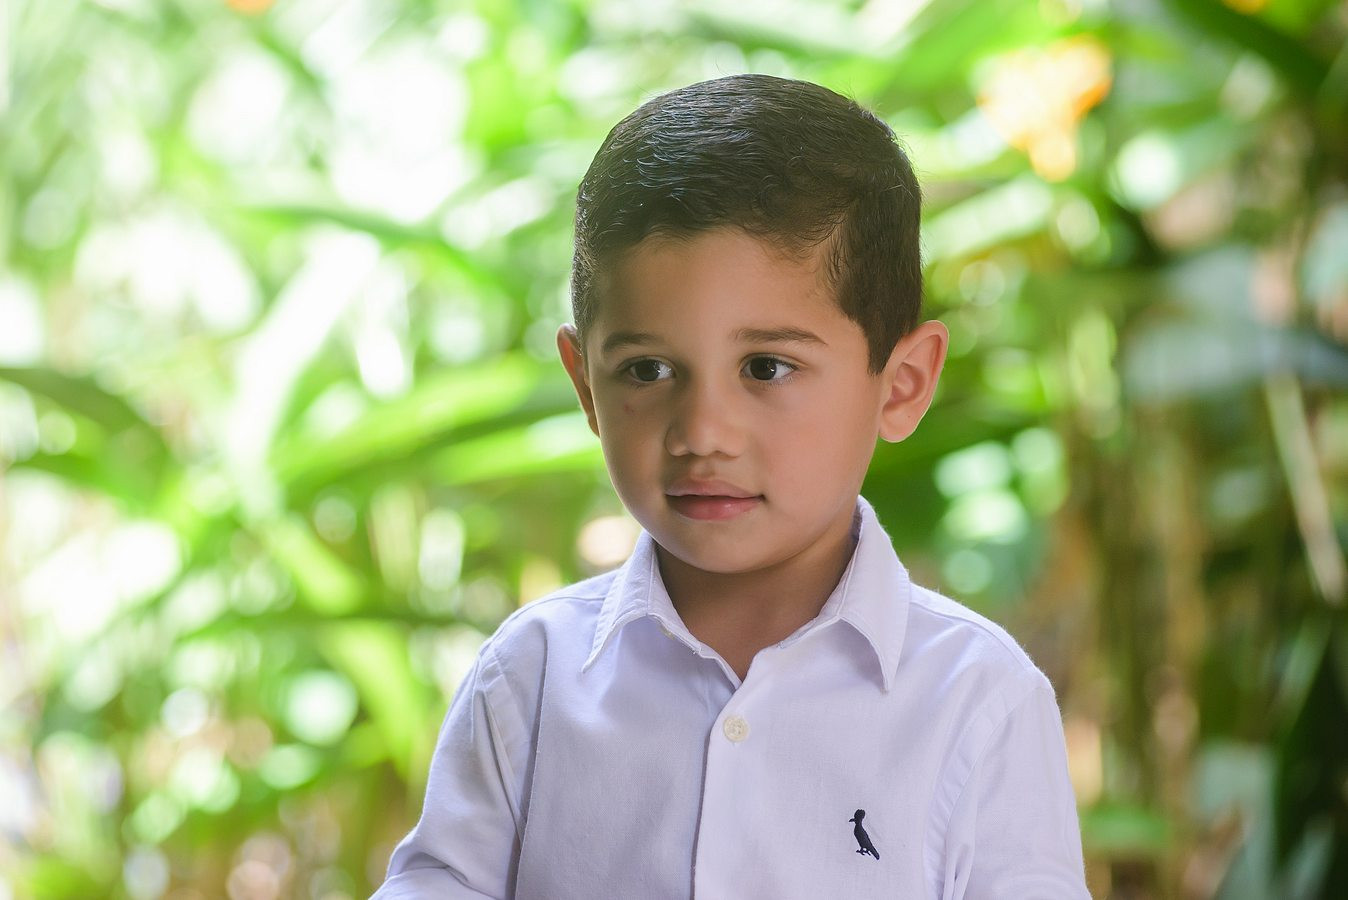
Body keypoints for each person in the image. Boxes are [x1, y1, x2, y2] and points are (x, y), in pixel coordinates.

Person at [374, 73, 1089, 898]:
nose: (703, 432)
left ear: (900, 385)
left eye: (767, 368)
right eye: (647, 370)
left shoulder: (979, 702)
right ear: (585, 386)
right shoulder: (528, 681)